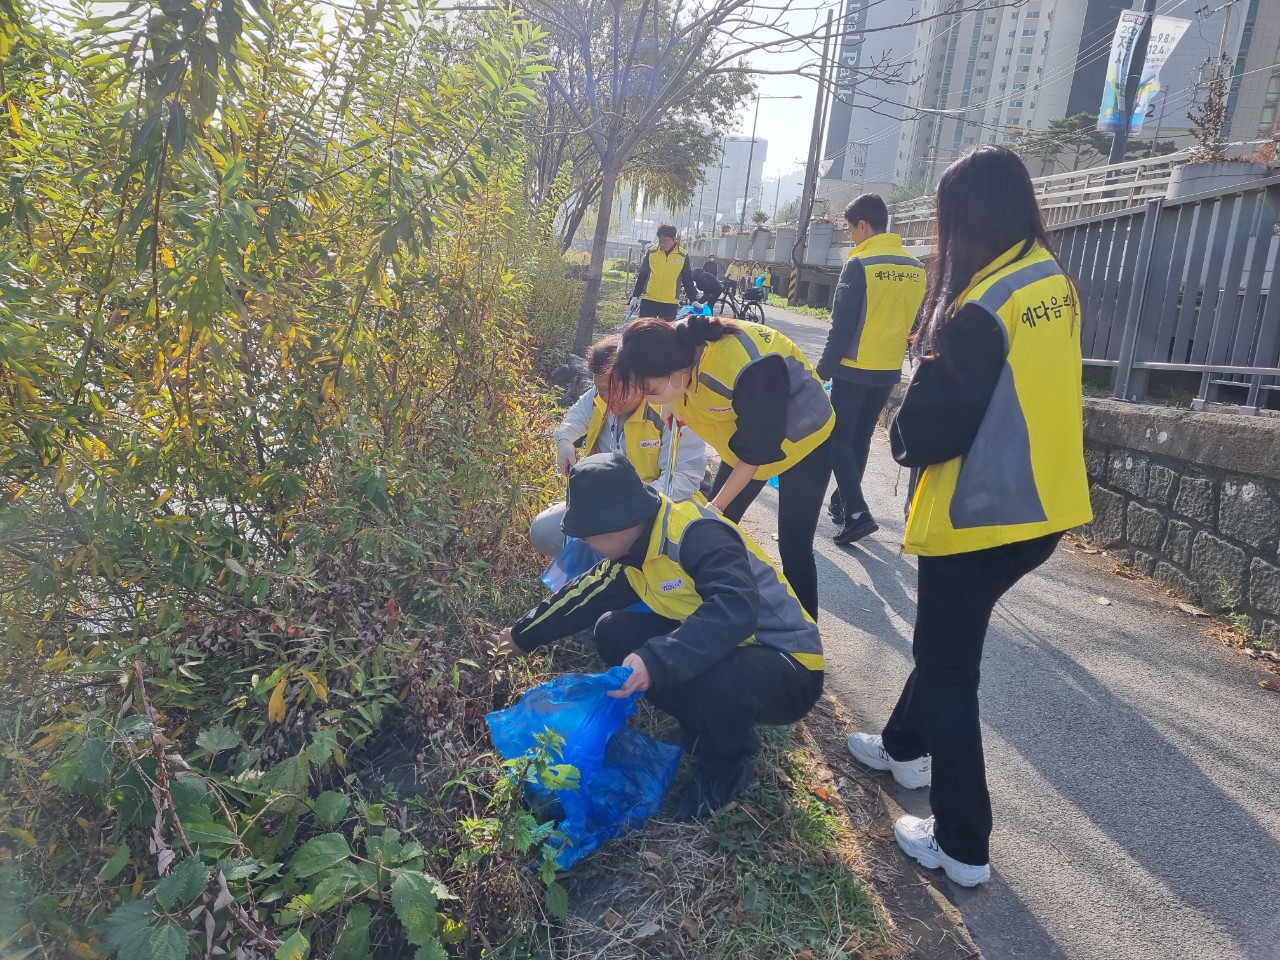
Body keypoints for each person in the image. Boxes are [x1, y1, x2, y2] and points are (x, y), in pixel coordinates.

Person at [845, 145, 1092, 887]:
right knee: (946, 643)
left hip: (980, 514)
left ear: (965, 219)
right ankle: (901, 746)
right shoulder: (1049, 281)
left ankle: (962, 843)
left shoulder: (979, 306)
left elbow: (924, 435)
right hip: (1043, 509)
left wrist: (908, 408)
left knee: (951, 667)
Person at [492, 453, 824, 820]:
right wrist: (521, 637)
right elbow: (582, 596)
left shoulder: (697, 536)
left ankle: (727, 768)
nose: (586, 543)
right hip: (731, 647)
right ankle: (705, 726)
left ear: (619, 522)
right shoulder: (632, 551)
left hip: (788, 663)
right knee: (613, 632)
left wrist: (657, 658)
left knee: (725, 682)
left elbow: (736, 609)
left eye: (590, 535)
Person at [612, 315, 834, 620]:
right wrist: (669, 406)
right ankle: (717, 611)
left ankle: (804, 637)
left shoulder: (745, 368)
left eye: (649, 391)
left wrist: (714, 509)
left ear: (675, 373)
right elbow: (673, 394)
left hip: (805, 436)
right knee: (714, 530)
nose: (646, 400)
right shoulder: (674, 346)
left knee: (793, 544)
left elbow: (755, 455)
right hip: (747, 435)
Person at [816, 194, 926, 545]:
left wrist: (823, 370)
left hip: (853, 367)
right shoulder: (915, 267)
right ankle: (843, 502)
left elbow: (842, 326)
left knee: (836, 440)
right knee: (859, 438)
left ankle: (858, 513)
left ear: (862, 225)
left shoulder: (861, 263)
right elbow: (917, 322)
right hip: (888, 369)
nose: (852, 238)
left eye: (851, 230)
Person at [533, 338, 706, 556]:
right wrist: (565, 440)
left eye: (612, 389)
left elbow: (683, 478)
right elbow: (575, 418)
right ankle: (596, 572)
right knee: (544, 531)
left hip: (658, 506)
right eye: (600, 389)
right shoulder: (598, 398)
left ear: (637, 380)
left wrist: (629, 506)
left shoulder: (670, 411)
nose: (606, 398)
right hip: (606, 504)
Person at [630, 224, 698, 322]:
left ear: (674, 239)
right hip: (649, 300)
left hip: (670, 302)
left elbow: (687, 279)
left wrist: (694, 300)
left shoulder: (682, 255)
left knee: (666, 335)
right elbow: (643, 275)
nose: (662, 244)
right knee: (645, 333)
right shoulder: (652, 252)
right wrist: (635, 296)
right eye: (660, 240)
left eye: (665, 240)